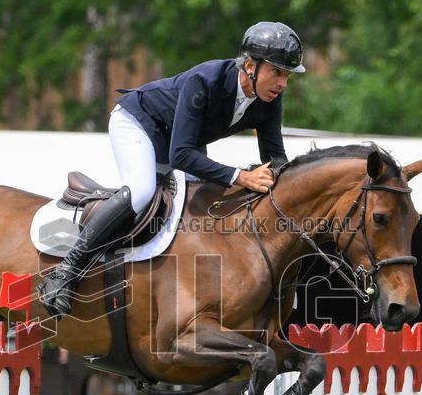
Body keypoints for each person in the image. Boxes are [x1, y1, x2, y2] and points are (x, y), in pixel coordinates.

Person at [38, 21, 307, 318]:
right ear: (250, 66)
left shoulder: (270, 98)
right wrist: (241, 176)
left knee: (203, 203)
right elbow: (181, 155)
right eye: (277, 72)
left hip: (179, 141)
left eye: (287, 76)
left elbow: (275, 159)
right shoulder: (205, 81)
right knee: (142, 192)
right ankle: (66, 272)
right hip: (138, 123)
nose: (282, 83)